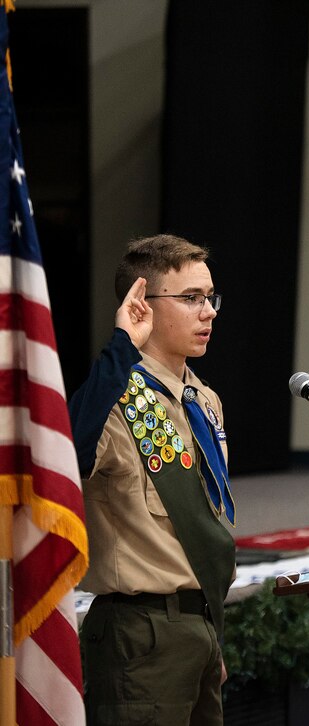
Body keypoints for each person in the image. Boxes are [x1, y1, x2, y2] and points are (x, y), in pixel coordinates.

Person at [69, 234, 236, 725]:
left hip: (199, 624)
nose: (209, 312)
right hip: (139, 632)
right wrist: (121, 347)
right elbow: (68, 453)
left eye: (210, 297)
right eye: (191, 299)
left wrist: (211, 636)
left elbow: (207, 526)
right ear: (142, 305)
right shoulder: (115, 398)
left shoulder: (203, 401)